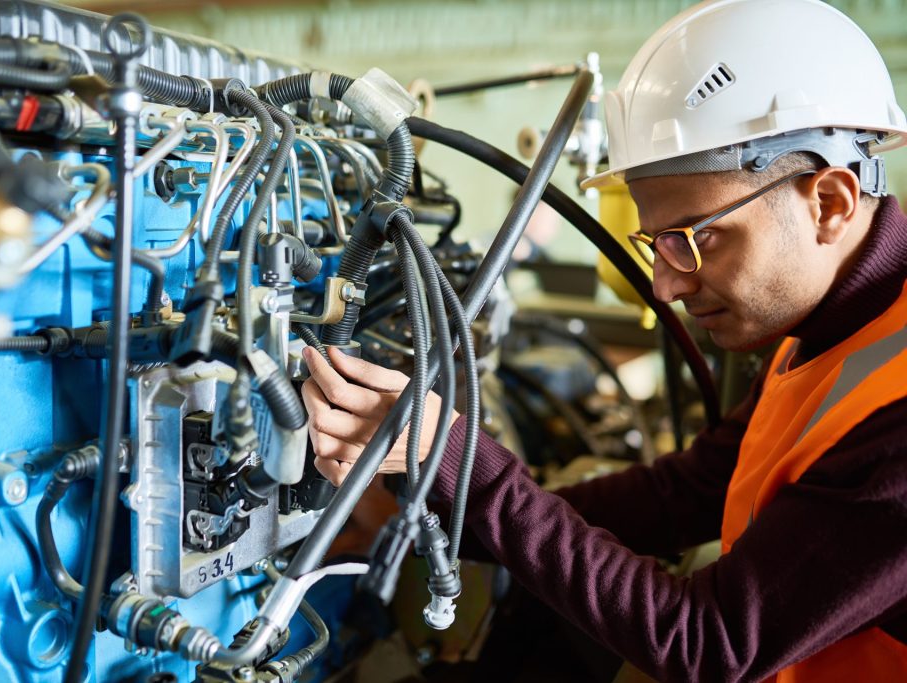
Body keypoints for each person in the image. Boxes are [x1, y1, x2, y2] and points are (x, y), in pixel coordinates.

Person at [300, 0, 907, 680]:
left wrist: (462, 460)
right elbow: (687, 492)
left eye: (693, 239)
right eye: (654, 243)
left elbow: (709, 643)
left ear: (829, 201)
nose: (666, 286)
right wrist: (439, 503)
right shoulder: (841, 328)